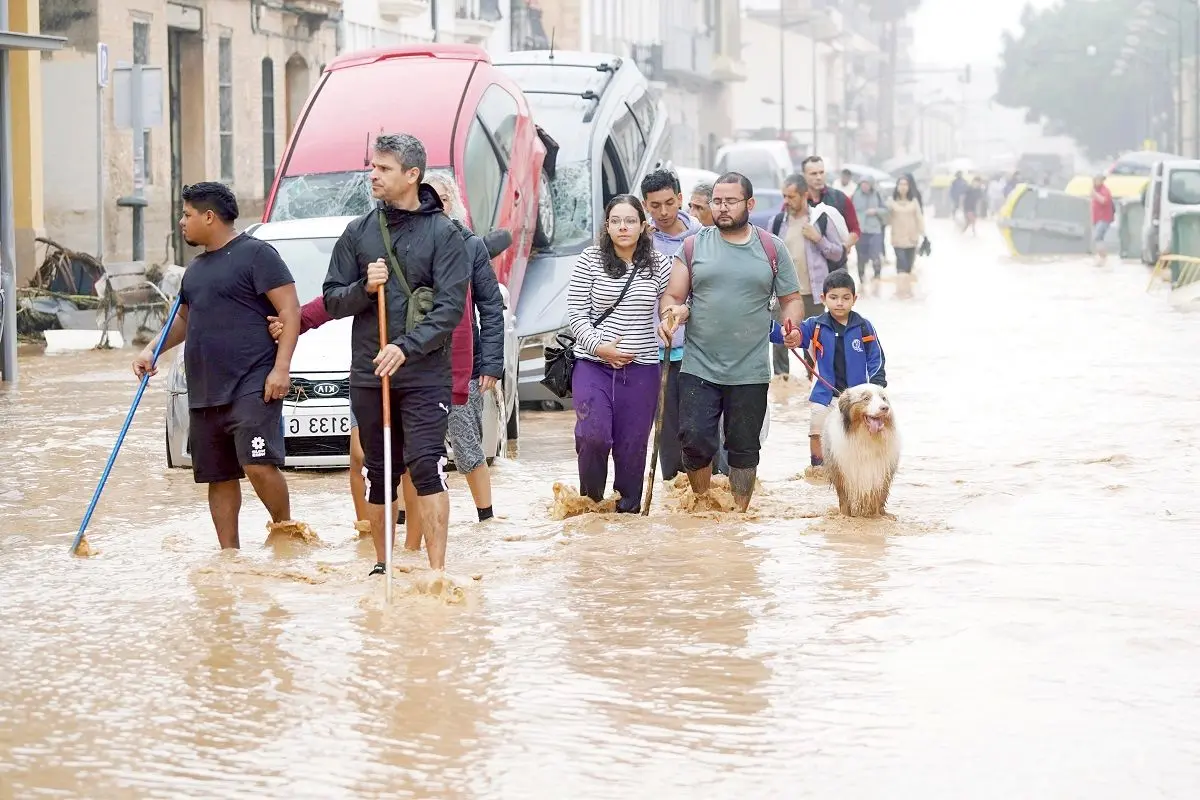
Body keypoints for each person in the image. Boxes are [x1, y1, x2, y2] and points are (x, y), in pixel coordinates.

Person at [323, 133, 470, 577]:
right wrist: (364, 289)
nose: (373, 175)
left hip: (425, 373)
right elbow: (331, 299)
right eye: (373, 166)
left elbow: (449, 310)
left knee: (426, 463)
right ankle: (382, 566)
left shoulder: (445, 234)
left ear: (412, 175)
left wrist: (404, 347)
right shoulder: (359, 232)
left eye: (383, 169)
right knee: (378, 469)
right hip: (371, 372)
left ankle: (437, 572)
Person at [133, 182, 301, 549]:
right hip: (206, 387)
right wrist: (151, 350)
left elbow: (290, 310)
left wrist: (281, 368)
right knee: (218, 475)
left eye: (187, 214)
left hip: (253, 382)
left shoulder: (258, 255)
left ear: (209, 216)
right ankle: (230, 556)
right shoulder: (194, 270)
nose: (181, 222)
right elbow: (183, 319)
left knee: (257, 463)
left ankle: (287, 531)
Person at [659, 172, 806, 512]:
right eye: (717, 201)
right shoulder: (694, 246)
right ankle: (701, 504)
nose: (722, 208)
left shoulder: (771, 248)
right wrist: (672, 314)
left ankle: (740, 514)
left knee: (743, 448)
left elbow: (791, 299)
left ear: (749, 204)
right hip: (699, 366)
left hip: (750, 369)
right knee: (694, 441)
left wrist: (792, 326)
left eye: (730, 201)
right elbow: (673, 295)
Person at [567, 194, 673, 513]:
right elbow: (575, 313)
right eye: (616, 221)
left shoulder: (659, 264)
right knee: (593, 436)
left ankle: (627, 514)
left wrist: (668, 319)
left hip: (642, 371)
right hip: (592, 365)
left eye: (630, 221)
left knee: (632, 448)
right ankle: (592, 505)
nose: (623, 227)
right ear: (607, 226)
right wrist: (600, 347)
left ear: (642, 226)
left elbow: (673, 300)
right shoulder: (590, 259)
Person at [639, 169, 718, 482]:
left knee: (704, 423)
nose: (664, 212)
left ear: (681, 199)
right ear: (646, 205)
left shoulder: (703, 237)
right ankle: (674, 488)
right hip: (656, 348)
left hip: (699, 346)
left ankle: (713, 484)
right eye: (655, 205)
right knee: (666, 426)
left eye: (670, 203)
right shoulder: (640, 241)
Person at [771, 269, 886, 468]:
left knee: (859, 434)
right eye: (833, 297)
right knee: (817, 432)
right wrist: (766, 326)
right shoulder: (814, 326)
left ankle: (856, 470)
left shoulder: (864, 327)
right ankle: (818, 469)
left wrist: (875, 389)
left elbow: (876, 359)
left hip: (857, 398)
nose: (839, 302)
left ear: (854, 299)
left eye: (845, 297)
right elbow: (787, 335)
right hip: (824, 394)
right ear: (823, 298)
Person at [772, 172, 845, 378]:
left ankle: (812, 383)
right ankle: (782, 386)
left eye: (791, 196)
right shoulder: (777, 222)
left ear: (805, 195)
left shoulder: (820, 220)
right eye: (784, 196)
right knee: (780, 341)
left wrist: (818, 238)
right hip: (783, 293)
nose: (786, 201)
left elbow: (838, 252)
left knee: (812, 342)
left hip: (812, 293)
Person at [800, 156, 859, 266]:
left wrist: (843, 248)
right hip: (808, 267)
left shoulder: (840, 198)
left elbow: (855, 230)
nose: (819, 177)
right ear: (804, 176)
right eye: (813, 174)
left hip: (836, 267)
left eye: (821, 172)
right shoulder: (797, 202)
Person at [888, 175, 925, 298]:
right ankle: (900, 292)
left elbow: (919, 218)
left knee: (908, 267)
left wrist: (924, 234)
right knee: (901, 264)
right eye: (901, 184)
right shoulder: (891, 202)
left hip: (912, 238)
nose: (903, 187)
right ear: (897, 186)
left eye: (905, 184)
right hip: (897, 239)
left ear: (909, 187)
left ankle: (907, 292)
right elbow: (886, 220)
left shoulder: (914, 201)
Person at [852, 177, 888, 281]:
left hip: (875, 230)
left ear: (871, 185)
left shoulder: (877, 195)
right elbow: (850, 211)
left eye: (867, 184)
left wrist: (876, 211)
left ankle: (877, 277)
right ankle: (861, 278)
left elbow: (885, 210)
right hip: (860, 230)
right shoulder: (855, 195)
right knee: (861, 256)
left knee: (875, 254)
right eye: (863, 184)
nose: (865, 186)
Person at [1091, 173, 1116, 265]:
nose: (1094, 182)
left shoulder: (1104, 190)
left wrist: (1095, 195)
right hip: (1097, 219)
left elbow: (1104, 201)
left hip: (1104, 218)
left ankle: (1103, 258)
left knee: (1098, 237)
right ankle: (1101, 257)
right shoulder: (1096, 190)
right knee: (1097, 238)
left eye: (1096, 180)